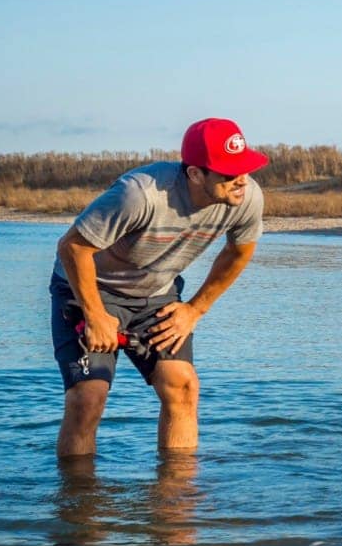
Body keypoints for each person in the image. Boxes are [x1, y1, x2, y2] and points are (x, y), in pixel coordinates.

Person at [50, 118, 268, 457]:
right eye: (228, 173)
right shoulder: (140, 195)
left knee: (182, 387)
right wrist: (94, 315)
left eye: (245, 168)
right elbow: (72, 248)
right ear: (195, 174)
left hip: (156, 293)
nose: (241, 180)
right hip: (89, 287)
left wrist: (194, 310)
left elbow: (239, 251)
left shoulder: (247, 197)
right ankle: (79, 505)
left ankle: (175, 503)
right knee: (88, 397)